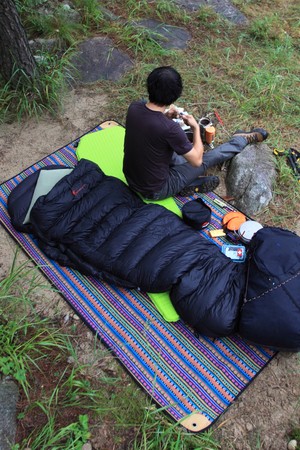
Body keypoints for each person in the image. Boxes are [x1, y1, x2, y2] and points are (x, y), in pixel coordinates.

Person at [123, 66, 268, 200]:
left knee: (176, 152)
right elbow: (197, 161)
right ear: (176, 95)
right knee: (205, 159)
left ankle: (189, 181)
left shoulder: (134, 107)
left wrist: (166, 116)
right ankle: (240, 141)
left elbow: (151, 126)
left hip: (131, 178)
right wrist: (196, 129)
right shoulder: (170, 129)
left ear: (149, 85)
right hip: (155, 190)